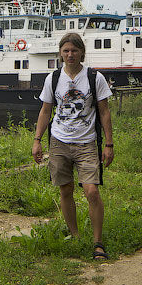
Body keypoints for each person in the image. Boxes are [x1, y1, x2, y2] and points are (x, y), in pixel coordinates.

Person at [32, 32, 114, 260]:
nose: (70, 54)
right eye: (66, 50)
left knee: (92, 191)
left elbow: (105, 111)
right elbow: (46, 110)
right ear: (60, 53)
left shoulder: (94, 77)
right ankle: (75, 235)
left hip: (87, 142)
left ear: (81, 53)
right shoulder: (53, 78)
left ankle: (98, 243)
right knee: (65, 189)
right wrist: (37, 141)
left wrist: (108, 144)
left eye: (74, 50)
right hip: (59, 141)